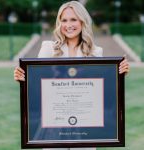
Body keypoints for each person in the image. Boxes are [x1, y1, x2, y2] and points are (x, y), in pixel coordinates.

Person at [14, 1, 129, 150]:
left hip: (85, 123)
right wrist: (23, 78)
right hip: (54, 122)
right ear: (59, 23)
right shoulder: (48, 49)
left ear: (82, 22)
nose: (69, 25)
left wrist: (119, 74)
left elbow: (102, 92)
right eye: (64, 20)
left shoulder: (96, 52)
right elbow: (36, 84)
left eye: (73, 19)